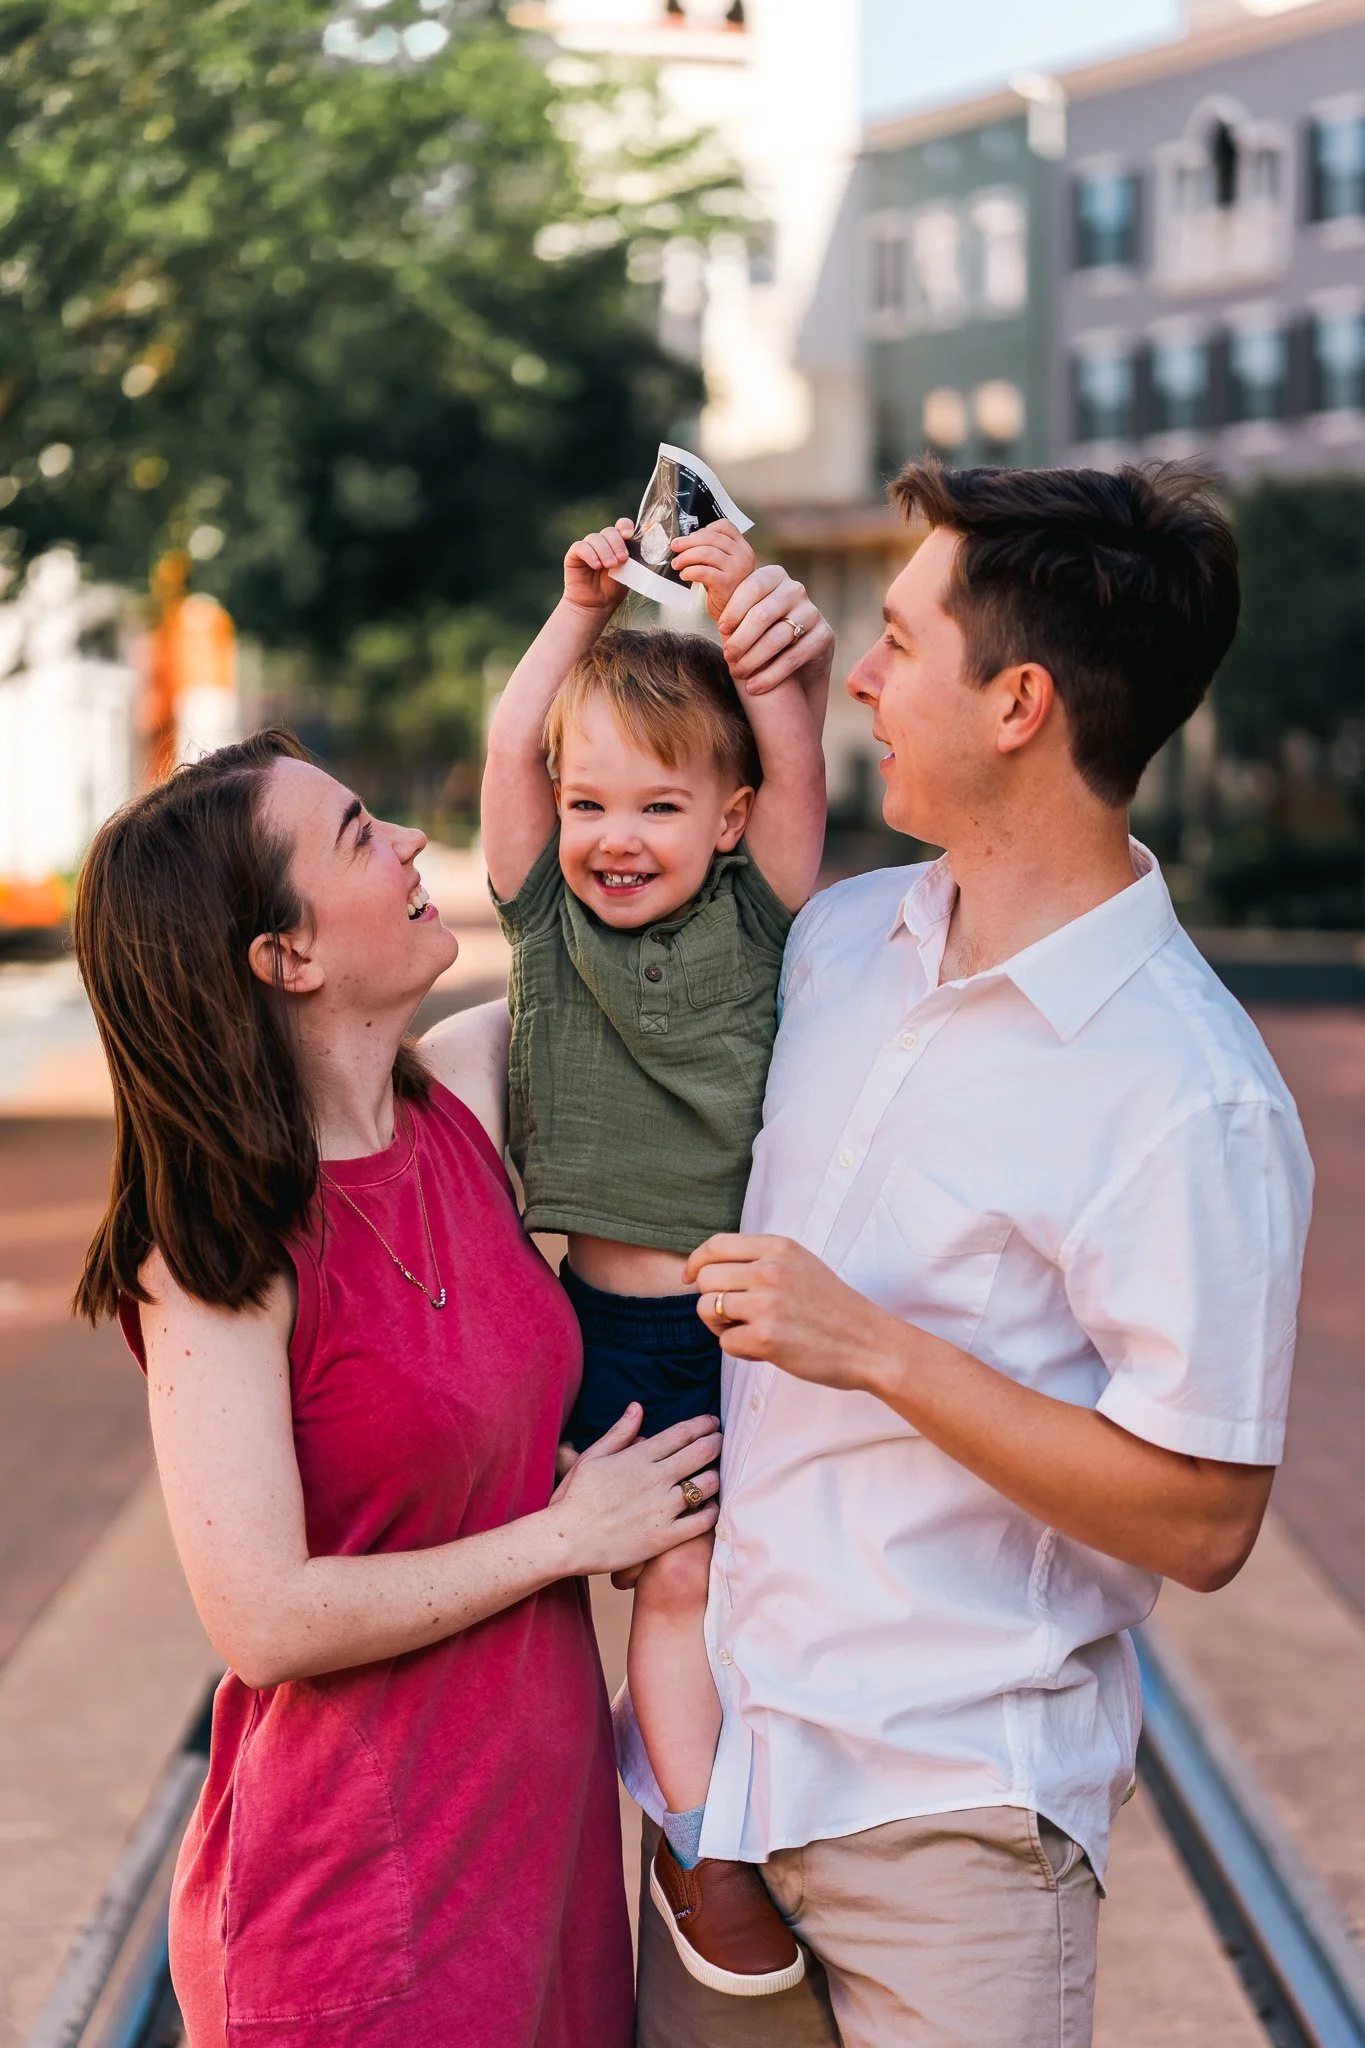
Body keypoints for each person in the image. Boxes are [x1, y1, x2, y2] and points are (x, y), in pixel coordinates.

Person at [626, 460, 1315, 2048]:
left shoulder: (1187, 1093)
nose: (861, 668)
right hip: (725, 1783)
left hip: (955, 1824)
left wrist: (874, 1346)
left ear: (1016, 702)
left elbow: (1206, 1519)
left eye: (904, 638)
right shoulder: (843, 941)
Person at [71, 729, 722, 2048]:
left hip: (540, 1875)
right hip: (356, 1913)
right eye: (363, 834)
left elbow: (678, 931)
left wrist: (747, 672)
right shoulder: (216, 1253)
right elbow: (261, 1616)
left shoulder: (469, 1102)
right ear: (287, 956)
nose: (416, 845)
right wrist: (567, 1536)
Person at [481, 515, 831, 1994]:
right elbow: (512, 751)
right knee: (673, 1587)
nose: (615, 838)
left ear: (731, 820)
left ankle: (760, 1814)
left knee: (759, 1588)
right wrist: (571, 615)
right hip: (603, 1339)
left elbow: (798, 763)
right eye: (590, 805)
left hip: (742, 1330)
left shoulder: (768, 916)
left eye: (661, 808)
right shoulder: (546, 921)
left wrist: (737, 604)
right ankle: (700, 1849)